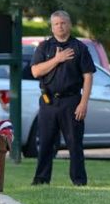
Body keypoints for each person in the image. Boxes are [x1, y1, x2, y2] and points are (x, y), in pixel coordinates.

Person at [30, 10, 95, 186]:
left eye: (63, 23)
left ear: (69, 25)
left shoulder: (79, 48)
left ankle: (79, 180)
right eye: (56, 24)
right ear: (52, 27)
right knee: (45, 142)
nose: (60, 26)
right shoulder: (44, 47)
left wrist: (83, 103)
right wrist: (57, 59)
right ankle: (41, 179)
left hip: (72, 101)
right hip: (48, 101)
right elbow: (35, 71)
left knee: (74, 143)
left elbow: (88, 76)